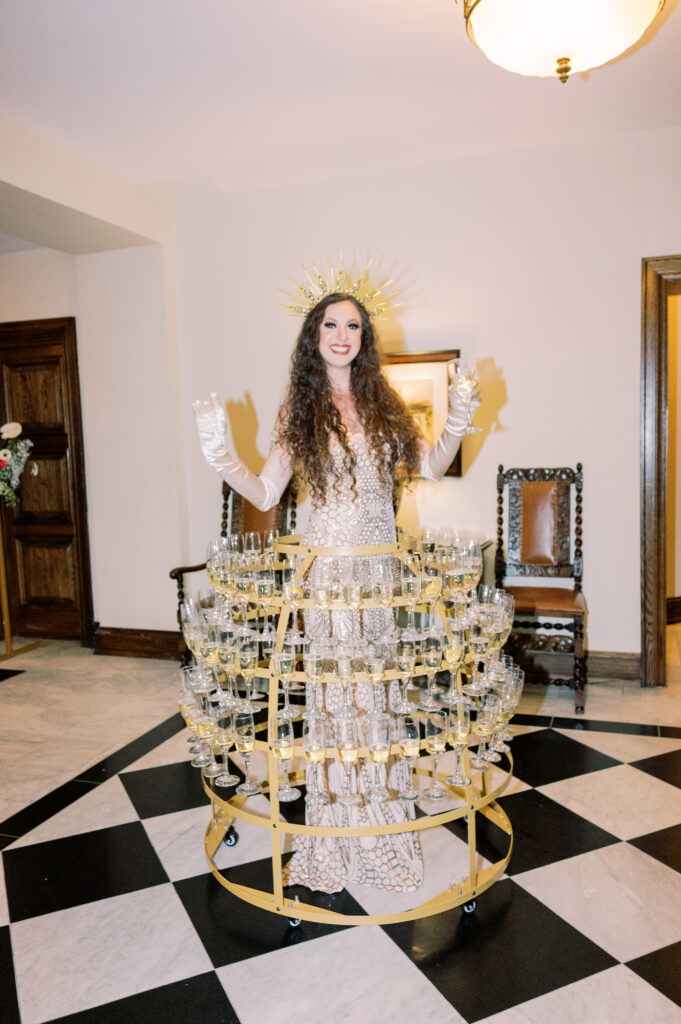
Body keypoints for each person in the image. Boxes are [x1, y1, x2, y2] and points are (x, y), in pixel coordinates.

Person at [193, 289, 480, 894]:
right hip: (327, 579)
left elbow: (431, 466)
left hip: (380, 577)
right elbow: (267, 494)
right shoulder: (298, 409)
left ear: (364, 337)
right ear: (314, 335)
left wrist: (458, 416)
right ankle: (336, 829)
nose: (342, 334)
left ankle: (381, 823)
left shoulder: (383, 404)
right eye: (331, 324)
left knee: (376, 701)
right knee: (334, 702)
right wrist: (219, 452)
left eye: (353, 325)